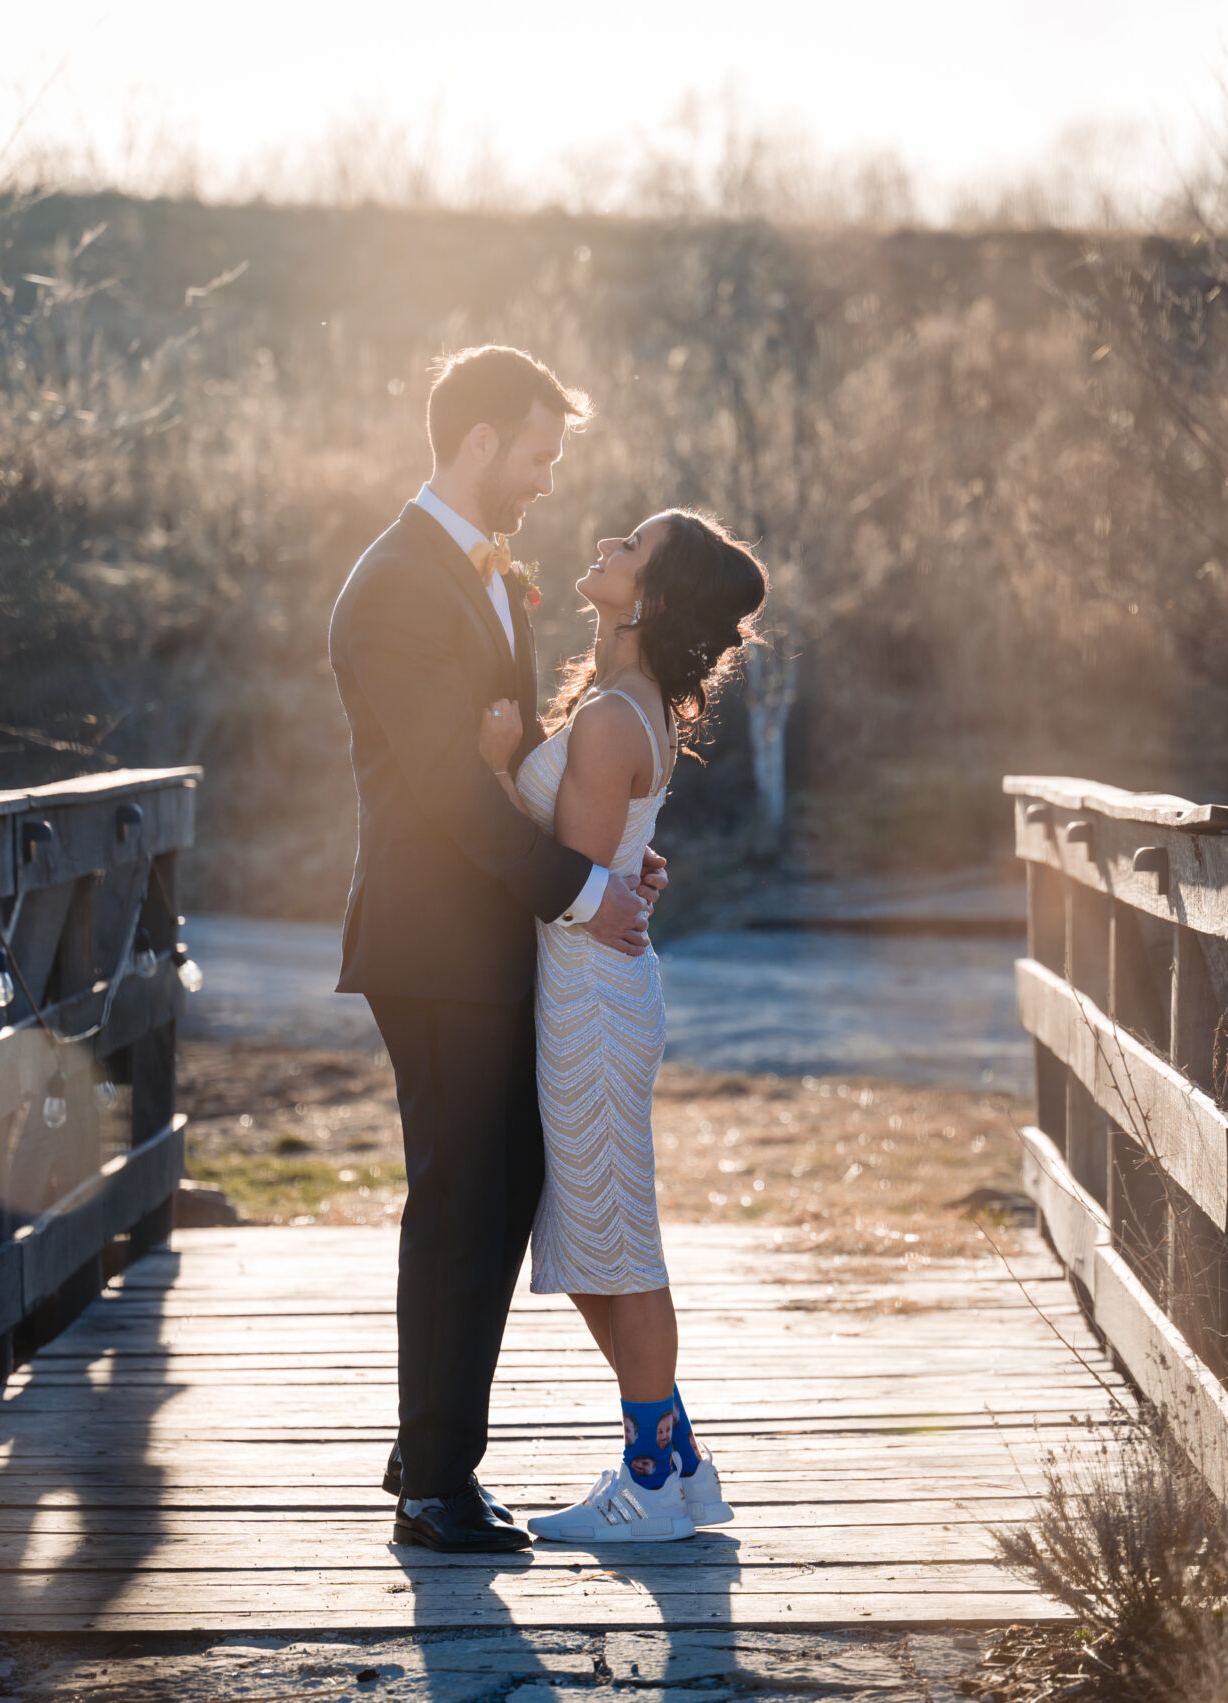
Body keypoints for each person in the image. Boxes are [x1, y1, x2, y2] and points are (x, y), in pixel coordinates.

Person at [327, 345, 662, 1555]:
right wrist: (580, 889)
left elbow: (506, 779)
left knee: (500, 1182)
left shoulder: (483, 574)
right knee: (464, 1195)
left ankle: (429, 1444)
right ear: (477, 441)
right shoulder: (395, 588)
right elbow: (439, 799)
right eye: (536, 452)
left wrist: (609, 851)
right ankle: (433, 1490)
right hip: (428, 939)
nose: (544, 478)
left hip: (482, 932)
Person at [477, 509, 768, 1542]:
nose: (604, 542)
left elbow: (565, 873)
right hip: (588, 991)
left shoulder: (608, 718)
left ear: (649, 596)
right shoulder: (617, 701)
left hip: (590, 999)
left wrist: (492, 770)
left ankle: (651, 1481)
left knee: (619, 1248)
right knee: (595, 1242)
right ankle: (681, 1467)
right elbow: (601, 863)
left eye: (630, 545)